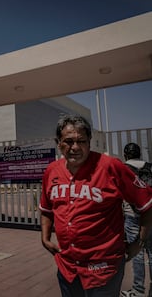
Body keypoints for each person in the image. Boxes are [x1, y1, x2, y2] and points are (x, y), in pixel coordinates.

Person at [39, 114, 152, 297]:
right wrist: (44, 238)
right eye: (68, 141)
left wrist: (139, 242)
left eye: (81, 141)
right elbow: (45, 209)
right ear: (58, 142)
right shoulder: (51, 171)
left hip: (104, 269)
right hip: (68, 268)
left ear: (89, 141)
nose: (75, 147)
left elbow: (147, 204)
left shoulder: (111, 167)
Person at [121, 143, 152, 297]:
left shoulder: (123, 168)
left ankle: (138, 290)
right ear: (139, 153)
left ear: (126, 155)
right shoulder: (150, 167)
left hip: (132, 216)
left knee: (137, 253)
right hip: (150, 215)